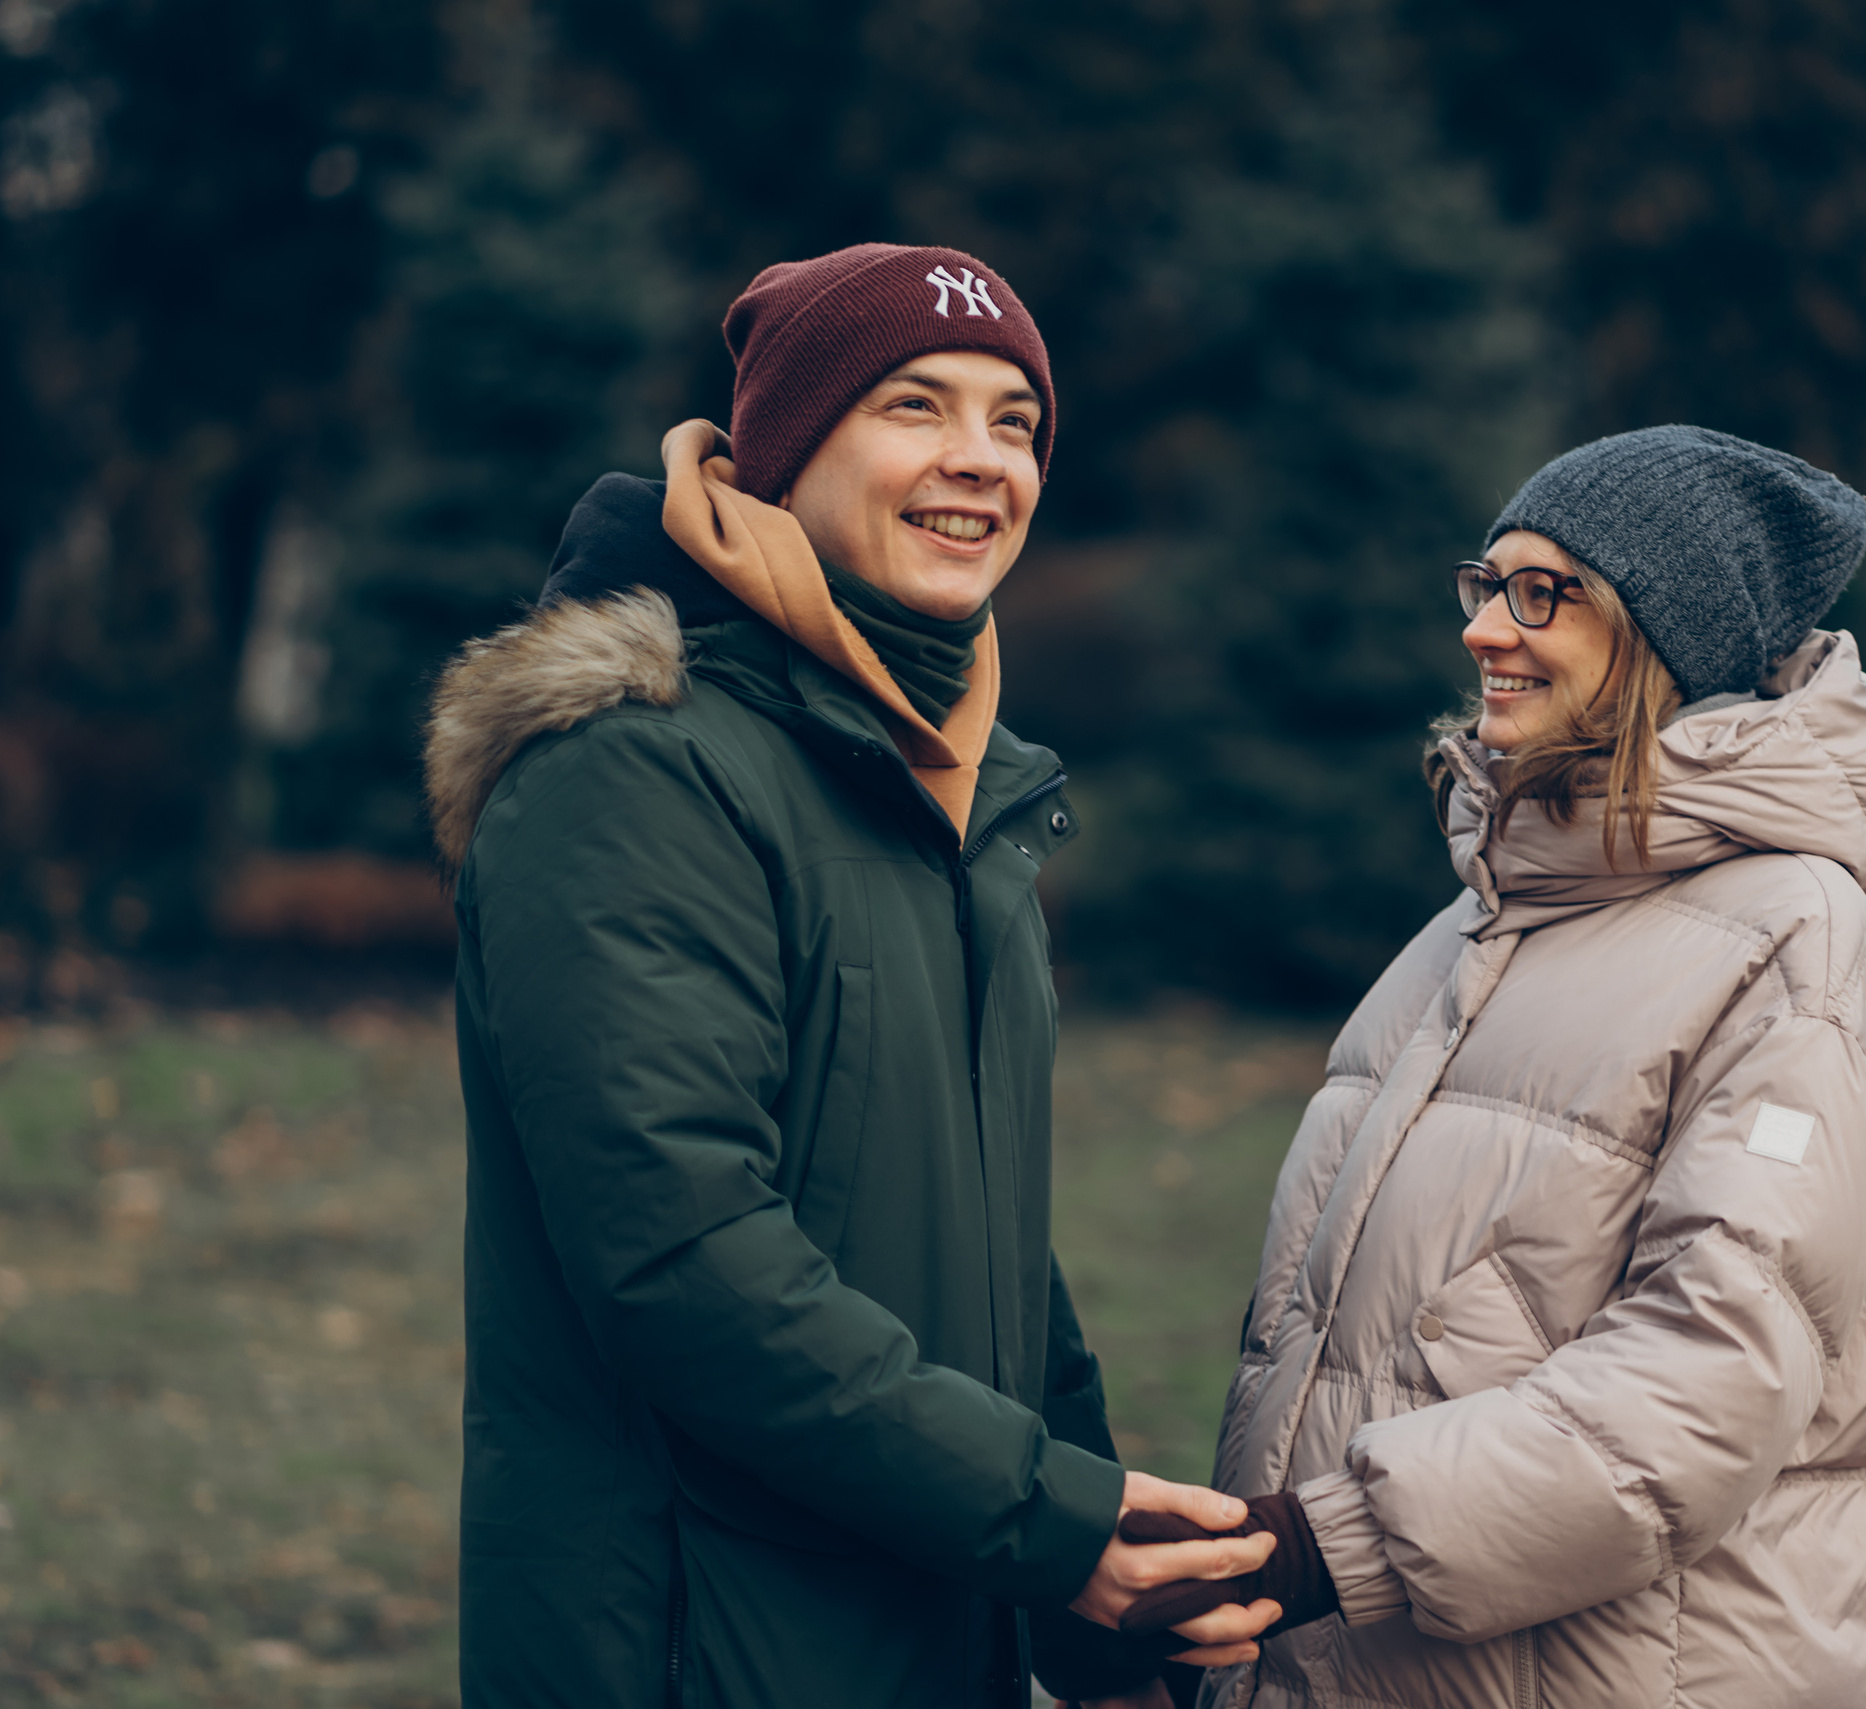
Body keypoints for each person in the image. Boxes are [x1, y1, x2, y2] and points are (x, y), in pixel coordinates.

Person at [422, 242, 1278, 1709]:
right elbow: (680, 1258)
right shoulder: (636, 770)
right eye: (914, 405)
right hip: (701, 1642)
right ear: (785, 452)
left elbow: (990, 1241)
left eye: (1016, 421)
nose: (981, 458)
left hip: (925, 1608)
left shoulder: (948, 788)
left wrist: (1089, 1587)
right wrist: (1044, 1521)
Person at [1136, 427, 1866, 1705]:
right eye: (1487, 582)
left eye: (1543, 592)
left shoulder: (1796, 939)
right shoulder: (1478, 921)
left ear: (1664, 636)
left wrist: (1321, 1547)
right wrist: (1218, 1600)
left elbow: (1711, 1367)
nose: (1483, 628)